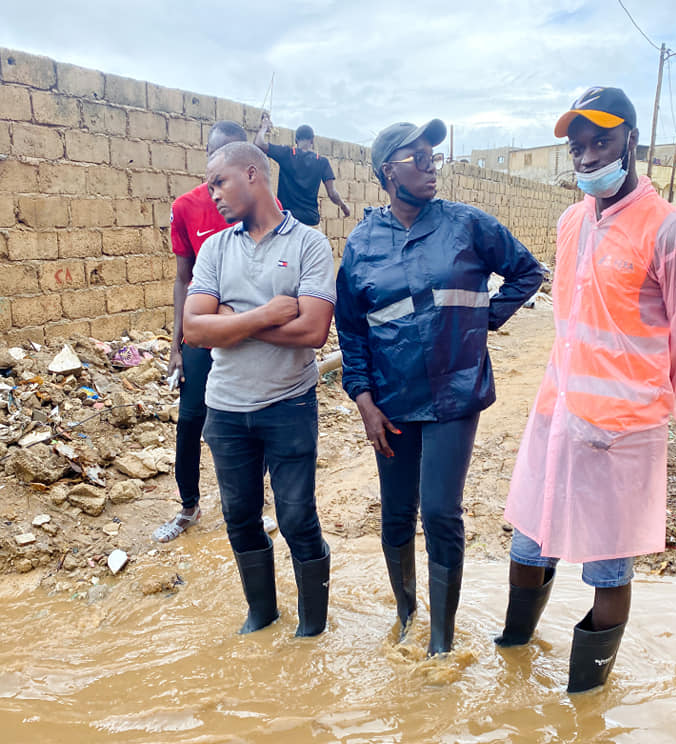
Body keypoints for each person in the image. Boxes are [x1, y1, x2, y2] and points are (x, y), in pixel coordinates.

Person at [499, 86, 676, 692]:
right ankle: (513, 662)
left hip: (621, 429)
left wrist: (649, 402)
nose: (588, 154)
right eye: (578, 145)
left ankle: (586, 698)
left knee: (607, 564)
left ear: (631, 141)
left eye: (602, 140)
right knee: (529, 545)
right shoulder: (572, 221)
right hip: (556, 414)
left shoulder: (675, 233)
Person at [335, 119, 543, 656]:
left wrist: (483, 322)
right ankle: (407, 616)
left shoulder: (467, 225)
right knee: (397, 511)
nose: (431, 167)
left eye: (434, 158)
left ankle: (441, 642)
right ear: (388, 172)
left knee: (441, 511)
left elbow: (527, 271)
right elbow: (352, 332)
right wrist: (364, 403)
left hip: (454, 393)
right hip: (392, 398)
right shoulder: (362, 244)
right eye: (418, 158)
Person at [183, 142, 336, 637]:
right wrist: (268, 314)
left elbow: (313, 332)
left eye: (219, 183)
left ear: (252, 174)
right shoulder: (215, 248)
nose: (213, 196)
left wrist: (231, 320)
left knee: (296, 519)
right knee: (240, 517)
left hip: (289, 403)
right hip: (225, 410)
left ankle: (312, 626)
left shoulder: (308, 244)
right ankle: (262, 613)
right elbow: (193, 330)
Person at [153, 121, 253, 543]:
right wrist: (176, 345)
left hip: (246, 332)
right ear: (208, 156)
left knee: (250, 417)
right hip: (201, 332)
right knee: (191, 418)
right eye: (219, 154)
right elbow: (183, 278)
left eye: (236, 154)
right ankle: (189, 506)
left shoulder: (258, 204)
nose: (226, 164)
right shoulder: (187, 207)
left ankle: (249, 504)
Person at [255, 113, 350, 226]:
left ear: (296, 140)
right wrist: (344, 206)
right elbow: (332, 193)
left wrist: (264, 127)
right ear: (312, 141)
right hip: (310, 222)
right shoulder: (321, 161)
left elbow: (259, 144)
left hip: (287, 222)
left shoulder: (286, 153)